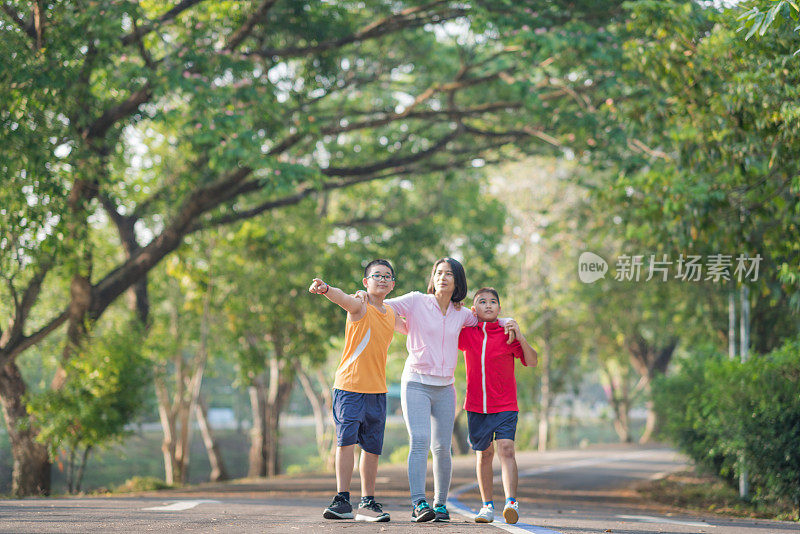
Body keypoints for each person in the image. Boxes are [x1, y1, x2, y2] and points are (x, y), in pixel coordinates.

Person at [380, 258, 517, 523]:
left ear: (458, 282)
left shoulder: (463, 314)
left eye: (449, 274)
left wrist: (509, 321)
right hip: (416, 382)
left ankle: (440, 505)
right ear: (433, 277)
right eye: (438, 273)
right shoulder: (417, 300)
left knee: (443, 447)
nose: (443, 277)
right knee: (420, 441)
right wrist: (402, 325)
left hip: (445, 387)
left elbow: (488, 318)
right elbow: (383, 305)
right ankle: (419, 503)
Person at [308, 259, 407, 523]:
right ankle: (342, 500)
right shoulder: (359, 304)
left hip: (377, 390)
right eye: (377, 275)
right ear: (366, 282)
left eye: (388, 276)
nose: (383, 279)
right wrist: (326, 288)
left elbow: (415, 322)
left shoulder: (391, 313)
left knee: (372, 448)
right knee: (346, 442)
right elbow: (343, 299)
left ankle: (367, 503)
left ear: (393, 284)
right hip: (350, 387)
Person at [458, 287, 538, 524]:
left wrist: (520, 335)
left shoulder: (508, 333)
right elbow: (447, 323)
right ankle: (486, 506)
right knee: (484, 454)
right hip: (476, 406)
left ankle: (511, 502)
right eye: (482, 302)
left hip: (505, 404)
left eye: (493, 302)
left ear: (500, 308)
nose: (489, 305)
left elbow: (532, 361)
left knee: (506, 450)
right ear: (475, 309)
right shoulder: (467, 333)